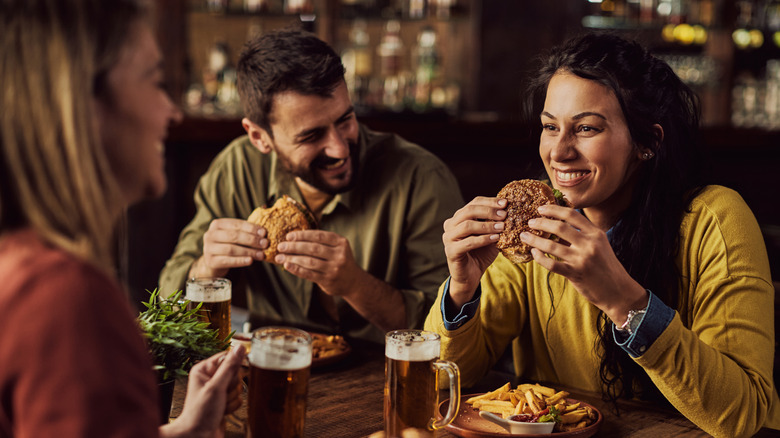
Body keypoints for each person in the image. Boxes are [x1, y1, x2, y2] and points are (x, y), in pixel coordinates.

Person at [424, 32, 779, 437]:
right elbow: (446, 381)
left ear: (648, 141)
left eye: (587, 128)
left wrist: (625, 301)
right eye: (549, 126)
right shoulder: (534, 227)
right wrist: (461, 291)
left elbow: (742, 417)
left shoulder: (714, 220)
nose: (558, 151)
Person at [0, 1, 245, 436]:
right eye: (155, 82)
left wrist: (186, 430)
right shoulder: (67, 298)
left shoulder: (20, 262)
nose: (172, 112)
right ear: (81, 105)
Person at [159, 29, 463, 343]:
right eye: (311, 136)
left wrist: (355, 285)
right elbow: (167, 304)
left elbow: (449, 335)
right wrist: (207, 267)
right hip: (270, 368)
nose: (340, 149)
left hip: (382, 376)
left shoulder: (421, 178)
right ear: (259, 138)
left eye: (345, 120)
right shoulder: (237, 169)